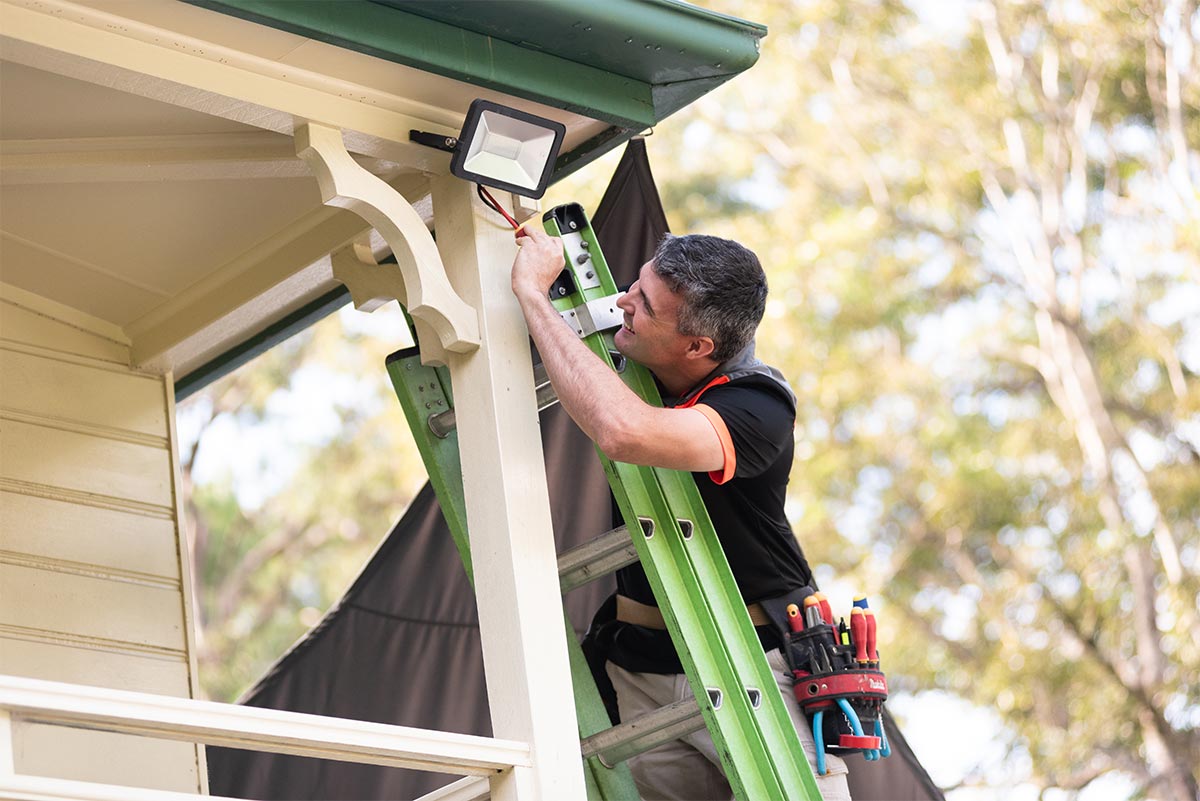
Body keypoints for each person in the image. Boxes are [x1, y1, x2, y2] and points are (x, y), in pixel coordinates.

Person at [511, 224, 851, 801]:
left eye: (644, 305)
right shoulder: (641, 340)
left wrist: (533, 297)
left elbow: (624, 431)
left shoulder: (758, 405)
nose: (623, 302)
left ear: (697, 348)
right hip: (637, 667)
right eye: (635, 285)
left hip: (751, 662)